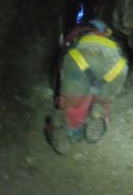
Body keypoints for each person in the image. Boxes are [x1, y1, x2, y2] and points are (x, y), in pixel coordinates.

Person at [49, 19, 128, 154]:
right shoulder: (111, 38)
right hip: (117, 67)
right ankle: (99, 113)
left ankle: (69, 126)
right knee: (102, 100)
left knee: (73, 103)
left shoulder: (78, 32)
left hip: (79, 59)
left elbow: (63, 53)